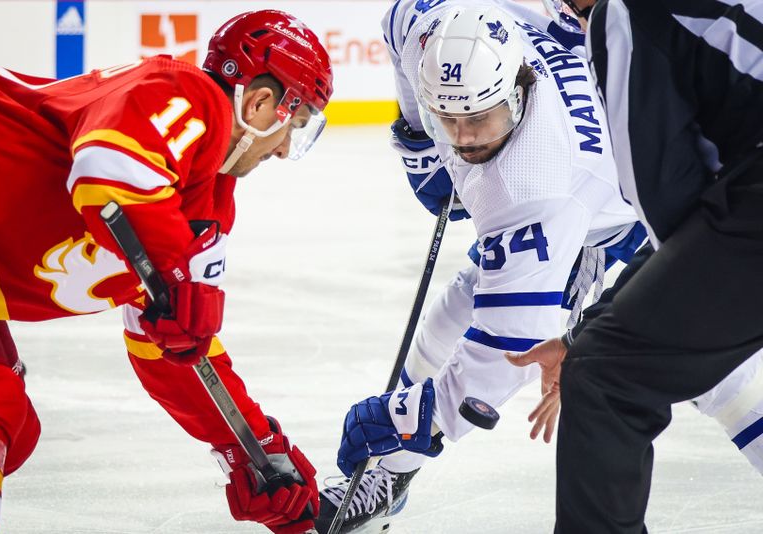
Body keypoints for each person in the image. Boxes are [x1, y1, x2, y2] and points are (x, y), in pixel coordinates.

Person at [315, 2, 763, 533]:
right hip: (642, 182)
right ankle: (389, 475)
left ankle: (391, 466)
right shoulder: (429, 19)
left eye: (480, 119)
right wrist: (418, 136)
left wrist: (419, 419)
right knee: (459, 305)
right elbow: (397, 26)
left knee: (704, 372)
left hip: (614, 218)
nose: (464, 140)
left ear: (518, 90)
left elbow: (507, 352)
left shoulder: (531, 189)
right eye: (447, 119)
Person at [0, 10, 332, 534]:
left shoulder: (209, 204)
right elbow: (106, 171)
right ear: (261, 103)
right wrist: (176, 275)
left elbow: (170, 344)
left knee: (10, 430)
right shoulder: (184, 93)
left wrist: (251, 449)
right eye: (295, 126)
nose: (287, 147)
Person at [506, 0, 763, 532]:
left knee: (605, 379)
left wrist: (593, 339)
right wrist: (595, 325)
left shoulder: (624, 10)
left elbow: (666, 203)